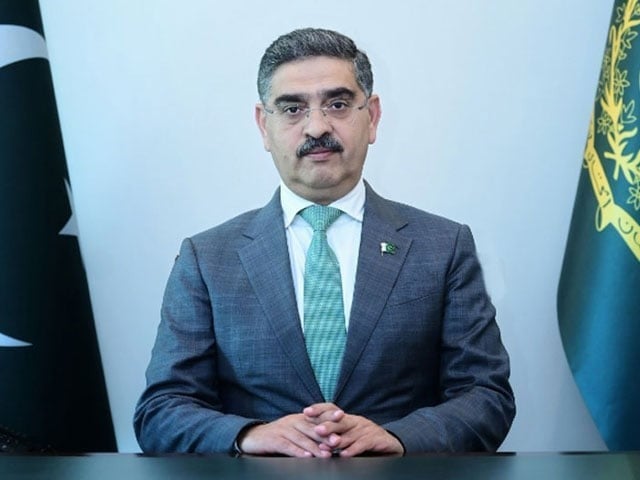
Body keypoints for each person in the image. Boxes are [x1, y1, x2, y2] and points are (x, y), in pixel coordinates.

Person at [134, 27, 515, 457]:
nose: (317, 127)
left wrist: (398, 438)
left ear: (372, 117)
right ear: (264, 126)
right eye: (292, 109)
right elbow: (161, 411)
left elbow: (487, 396)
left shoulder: (443, 247)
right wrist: (250, 436)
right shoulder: (207, 259)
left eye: (337, 104)